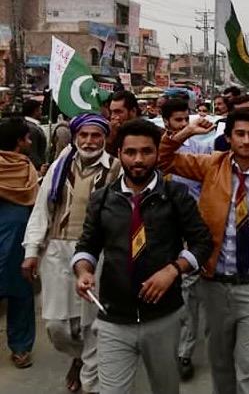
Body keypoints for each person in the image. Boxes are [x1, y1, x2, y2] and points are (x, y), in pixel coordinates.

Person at [70, 119, 213, 394]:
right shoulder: (102, 200)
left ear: (158, 153)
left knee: (165, 388)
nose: (138, 160)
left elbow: (201, 243)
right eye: (130, 152)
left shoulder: (175, 196)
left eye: (147, 152)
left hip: (164, 318)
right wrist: (84, 272)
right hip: (113, 319)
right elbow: (87, 246)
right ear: (119, 154)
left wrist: (173, 269)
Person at [158, 108, 249, 394]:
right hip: (214, 284)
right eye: (239, 134)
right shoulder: (210, 166)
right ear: (229, 138)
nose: (246, 140)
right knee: (220, 366)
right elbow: (163, 160)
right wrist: (187, 133)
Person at [21, 113, 119, 393]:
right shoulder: (59, 167)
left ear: (104, 138)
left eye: (96, 135)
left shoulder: (115, 169)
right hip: (57, 251)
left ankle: (91, 381)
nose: (89, 141)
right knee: (57, 325)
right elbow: (42, 209)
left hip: (97, 255)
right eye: (84, 136)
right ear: (76, 137)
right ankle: (77, 357)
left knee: (93, 322)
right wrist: (31, 251)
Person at [160, 98, 212, 380]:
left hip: (191, 227)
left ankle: (184, 352)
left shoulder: (201, 147)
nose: (182, 124)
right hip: (159, 228)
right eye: (177, 120)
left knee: (188, 292)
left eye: (185, 119)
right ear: (166, 120)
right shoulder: (155, 146)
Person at [0, 118, 38, 370]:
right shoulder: (24, 169)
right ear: (18, 141)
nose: (31, 142)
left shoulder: (28, 168)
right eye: (27, 137)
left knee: (21, 295)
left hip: (20, 244)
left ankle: (21, 347)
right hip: (9, 239)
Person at [22, 99, 47, 171]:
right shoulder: (31, 128)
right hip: (35, 168)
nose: (41, 112)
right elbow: (32, 151)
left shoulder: (29, 125)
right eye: (40, 109)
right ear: (35, 110)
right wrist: (39, 165)